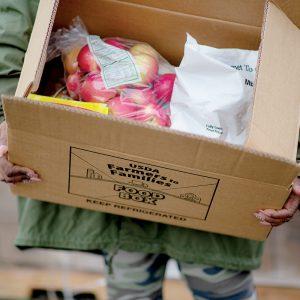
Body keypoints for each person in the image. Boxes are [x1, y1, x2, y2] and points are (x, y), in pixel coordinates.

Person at [0, 1, 299, 299]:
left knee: (219, 280)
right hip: (116, 174)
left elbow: (291, 34)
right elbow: (14, 18)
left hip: (211, 152)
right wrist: (6, 119)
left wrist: (292, 157)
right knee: (133, 277)